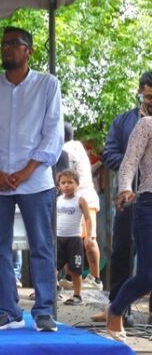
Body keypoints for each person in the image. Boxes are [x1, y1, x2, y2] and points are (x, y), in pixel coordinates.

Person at [0, 26, 63, 332]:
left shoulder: (48, 85)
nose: (6, 49)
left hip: (35, 181)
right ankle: (9, 312)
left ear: (29, 51)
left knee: (41, 246)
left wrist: (26, 171)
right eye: (3, 44)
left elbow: (53, 133)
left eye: (13, 44)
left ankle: (44, 311)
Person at [95, 71, 152, 325]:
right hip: (133, 199)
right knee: (123, 252)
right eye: (148, 95)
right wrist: (126, 186)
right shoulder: (129, 122)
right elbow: (119, 158)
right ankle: (117, 308)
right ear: (140, 92)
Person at [106, 115, 152, 341]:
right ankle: (115, 310)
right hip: (148, 204)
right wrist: (124, 187)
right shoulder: (146, 124)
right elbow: (130, 160)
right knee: (147, 277)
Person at [62, 123, 102, 289]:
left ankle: (91, 279)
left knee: (79, 239)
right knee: (85, 239)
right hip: (88, 197)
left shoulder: (64, 151)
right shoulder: (79, 148)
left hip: (79, 199)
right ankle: (92, 278)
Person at [55, 169, 92, 306]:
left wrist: (89, 236)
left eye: (70, 182)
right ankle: (54, 290)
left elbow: (88, 218)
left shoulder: (80, 200)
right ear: (58, 185)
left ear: (77, 184)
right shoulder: (58, 200)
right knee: (53, 267)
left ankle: (77, 295)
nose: (66, 185)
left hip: (74, 240)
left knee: (76, 270)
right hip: (58, 239)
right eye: (63, 182)